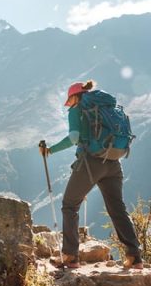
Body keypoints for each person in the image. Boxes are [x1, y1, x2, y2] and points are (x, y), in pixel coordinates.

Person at [39, 80, 143, 270]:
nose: (68, 105)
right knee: (117, 209)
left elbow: (74, 138)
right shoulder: (104, 107)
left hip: (91, 163)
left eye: (69, 100)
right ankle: (134, 257)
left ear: (74, 96)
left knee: (70, 205)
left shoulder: (77, 110)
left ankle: (70, 256)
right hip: (113, 162)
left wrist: (50, 150)